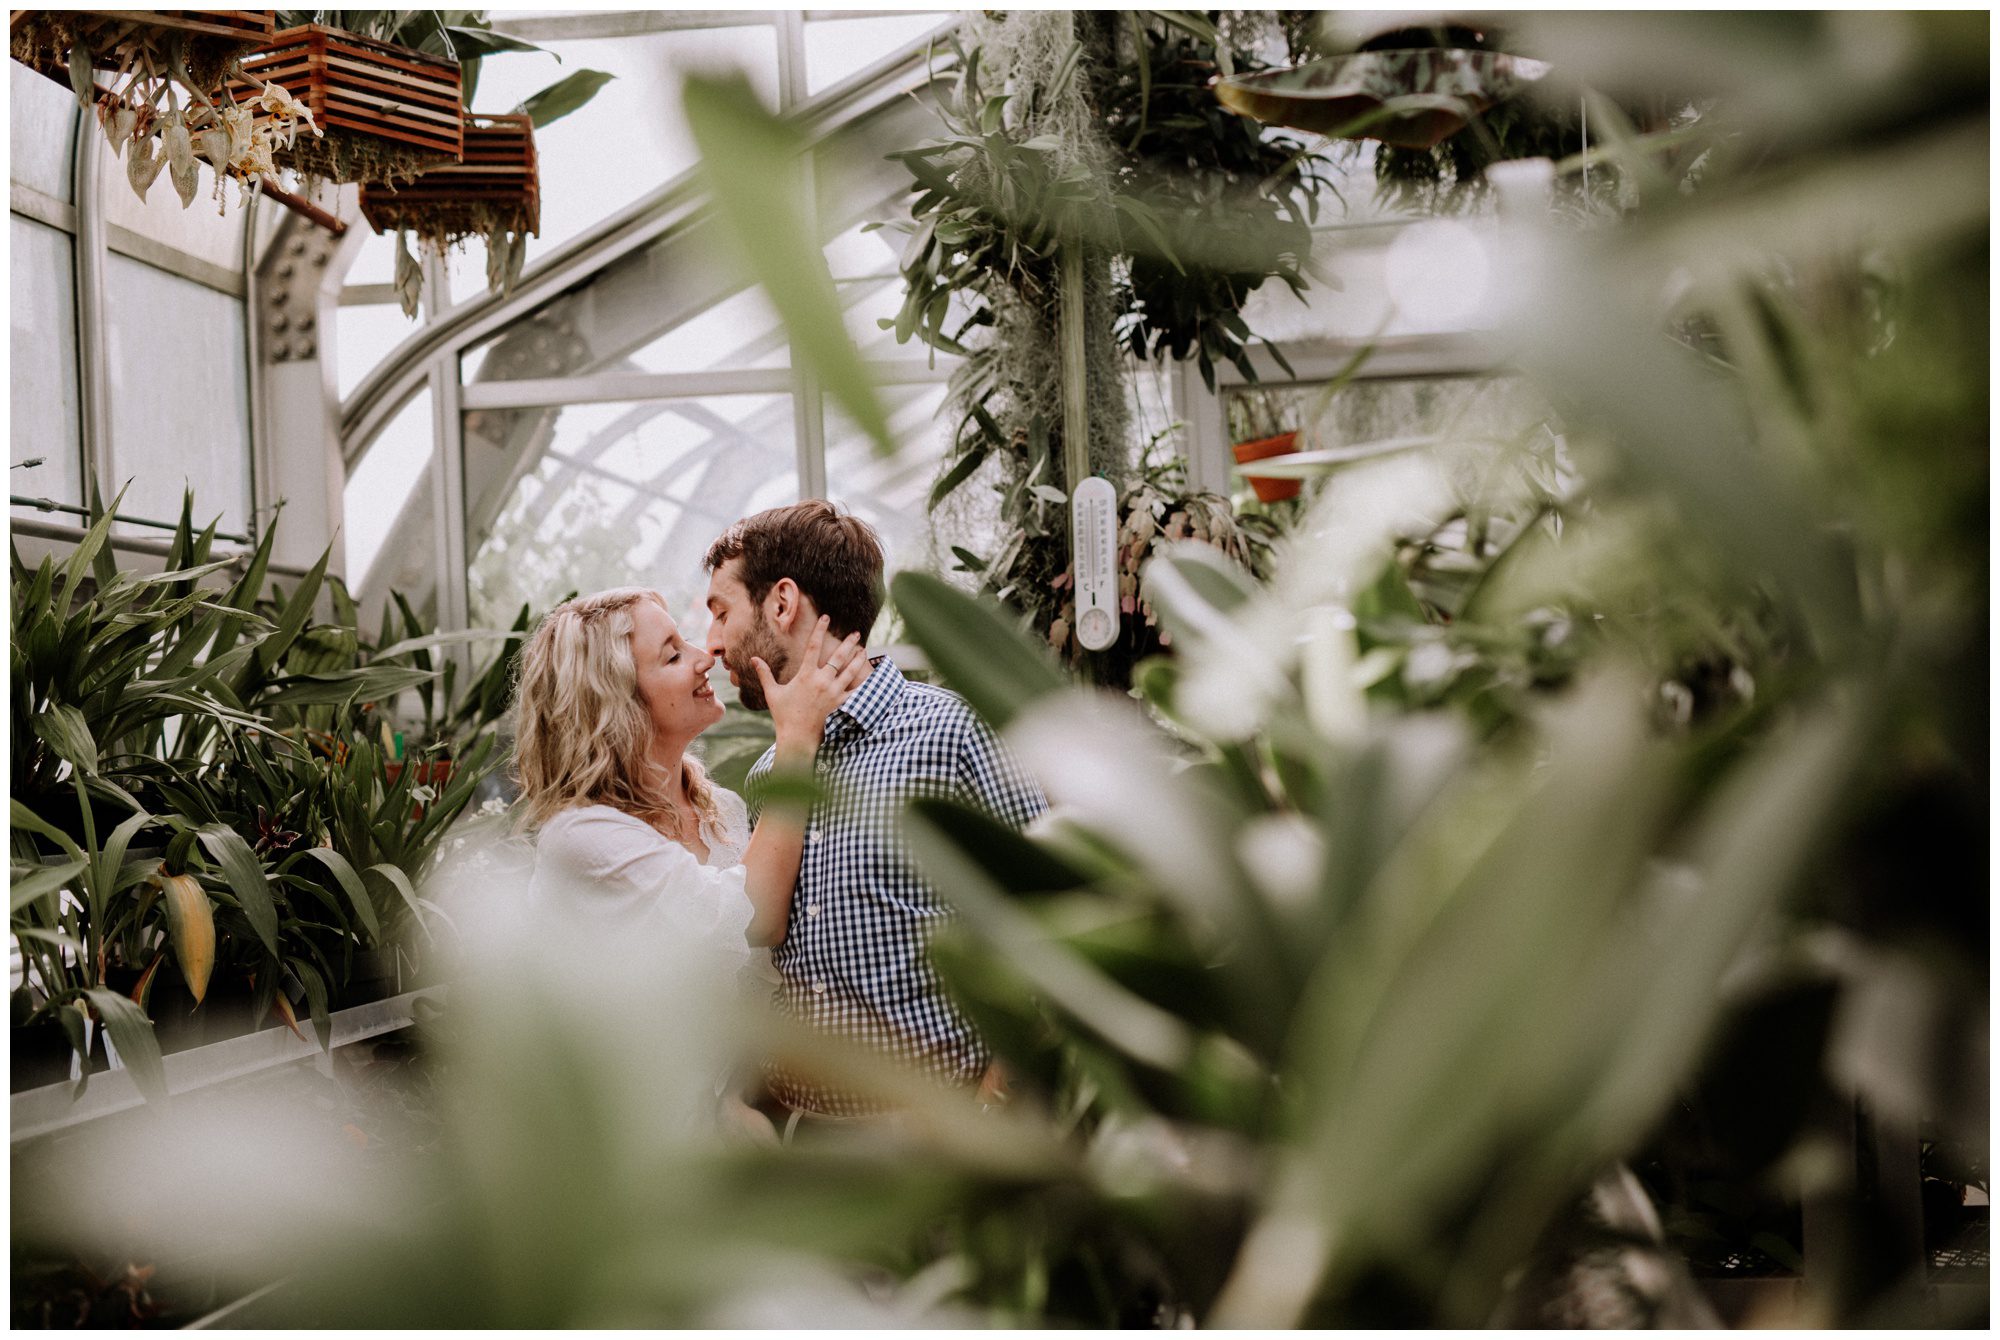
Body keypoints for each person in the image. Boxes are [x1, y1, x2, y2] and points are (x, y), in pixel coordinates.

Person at [702, 501, 1047, 1132]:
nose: (712, 644)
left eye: (720, 612)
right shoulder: (768, 777)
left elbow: (1049, 909)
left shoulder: (954, 732)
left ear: (782, 604)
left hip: (950, 1126)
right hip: (811, 1137)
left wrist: (1000, 1088)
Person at [509, 586, 867, 1135]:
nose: (706, 657)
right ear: (618, 705)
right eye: (673, 655)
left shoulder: (720, 810)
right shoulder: (582, 839)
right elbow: (754, 919)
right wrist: (797, 738)